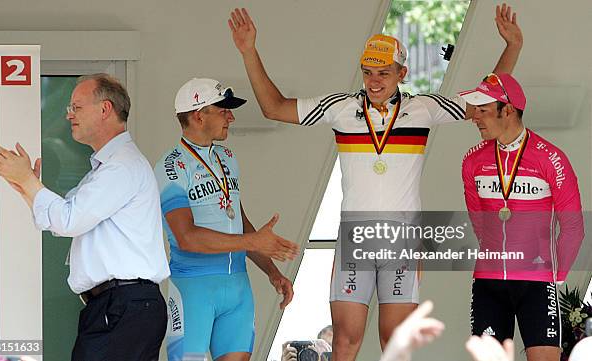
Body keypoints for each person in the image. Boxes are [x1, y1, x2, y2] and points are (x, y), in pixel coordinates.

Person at [228, 4, 523, 360]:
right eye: (368, 73)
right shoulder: (339, 108)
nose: (374, 81)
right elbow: (274, 107)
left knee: (395, 344)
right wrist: (249, 52)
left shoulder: (423, 108)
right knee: (345, 342)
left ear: (403, 72)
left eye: (384, 72)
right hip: (357, 236)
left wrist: (512, 48)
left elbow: (485, 99)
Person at [0, 74, 170, 361]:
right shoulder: (107, 167)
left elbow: (69, 220)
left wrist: (28, 183)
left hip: (123, 306)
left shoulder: (120, 166)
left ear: (105, 109)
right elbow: (61, 221)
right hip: (120, 307)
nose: (69, 115)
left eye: (77, 107)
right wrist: (25, 186)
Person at [154, 78, 300, 361]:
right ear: (199, 115)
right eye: (223, 110)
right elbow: (187, 237)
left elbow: (240, 222)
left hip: (237, 288)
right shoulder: (170, 167)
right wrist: (253, 241)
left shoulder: (227, 157)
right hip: (193, 290)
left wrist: (271, 271)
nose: (231, 117)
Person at [460, 73, 584, 361]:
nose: (474, 117)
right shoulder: (472, 160)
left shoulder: (551, 158)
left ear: (508, 109)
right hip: (489, 281)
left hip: (537, 282)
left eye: (483, 110)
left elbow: (573, 227)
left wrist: (555, 275)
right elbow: (479, 220)